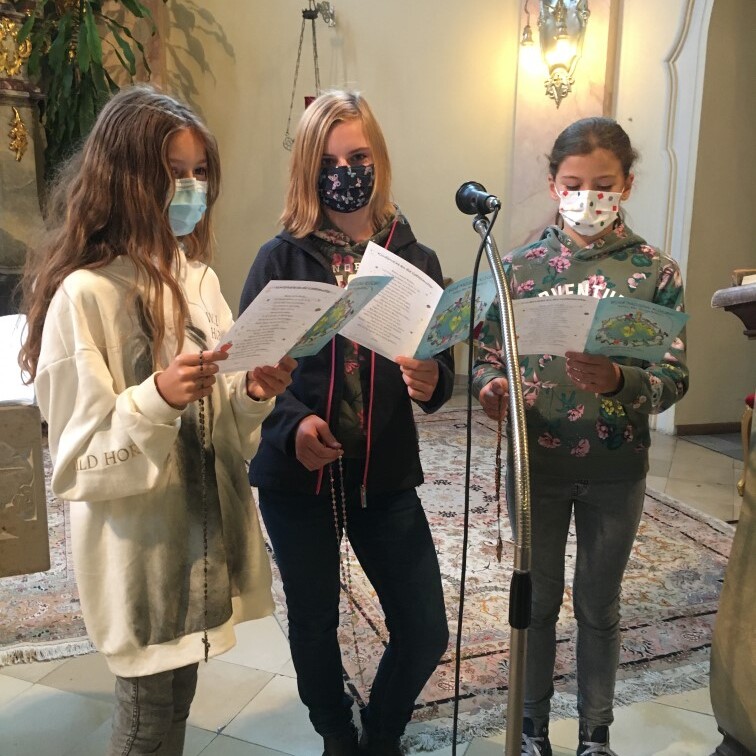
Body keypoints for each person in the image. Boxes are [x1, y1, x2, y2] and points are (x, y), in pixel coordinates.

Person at [19, 85, 296, 756]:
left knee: (178, 702)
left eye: (200, 172)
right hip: (139, 555)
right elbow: (77, 462)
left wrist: (253, 390)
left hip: (203, 537)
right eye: (175, 173)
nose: (191, 188)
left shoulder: (198, 280)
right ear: (126, 179)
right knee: (145, 723)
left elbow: (227, 429)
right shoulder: (86, 296)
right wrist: (160, 399)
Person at [239, 90, 454, 756]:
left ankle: (381, 731)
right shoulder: (279, 258)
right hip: (296, 476)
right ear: (309, 168)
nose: (346, 173)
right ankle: (336, 732)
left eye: (358, 157)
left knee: (425, 628)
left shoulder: (416, 259)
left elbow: (439, 369)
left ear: (378, 159)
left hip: (382, 473)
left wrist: (434, 380)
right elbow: (251, 373)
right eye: (329, 161)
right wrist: (293, 424)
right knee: (314, 621)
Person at [472, 117, 689, 756]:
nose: (587, 197)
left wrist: (621, 379)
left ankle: (596, 733)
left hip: (616, 468)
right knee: (536, 603)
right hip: (536, 464)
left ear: (627, 185)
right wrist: (490, 388)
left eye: (603, 184)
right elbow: (487, 357)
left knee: (598, 605)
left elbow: (673, 377)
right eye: (573, 184)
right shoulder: (517, 269)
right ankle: (532, 727)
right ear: (552, 185)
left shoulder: (654, 271)